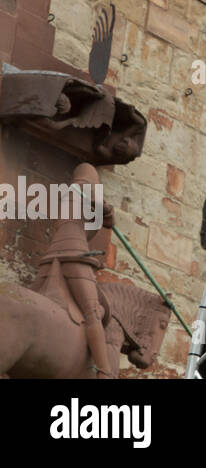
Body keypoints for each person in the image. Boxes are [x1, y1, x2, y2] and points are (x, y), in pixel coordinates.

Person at [37, 162, 116, 378]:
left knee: (34, 298)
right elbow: (103, 220)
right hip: (74, 254)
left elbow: (83, 229)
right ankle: (104, 370)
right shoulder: (88, 191)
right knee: (92, 312)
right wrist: (107, 211)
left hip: (51, 256)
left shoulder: (64, 197)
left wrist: (100, 215)